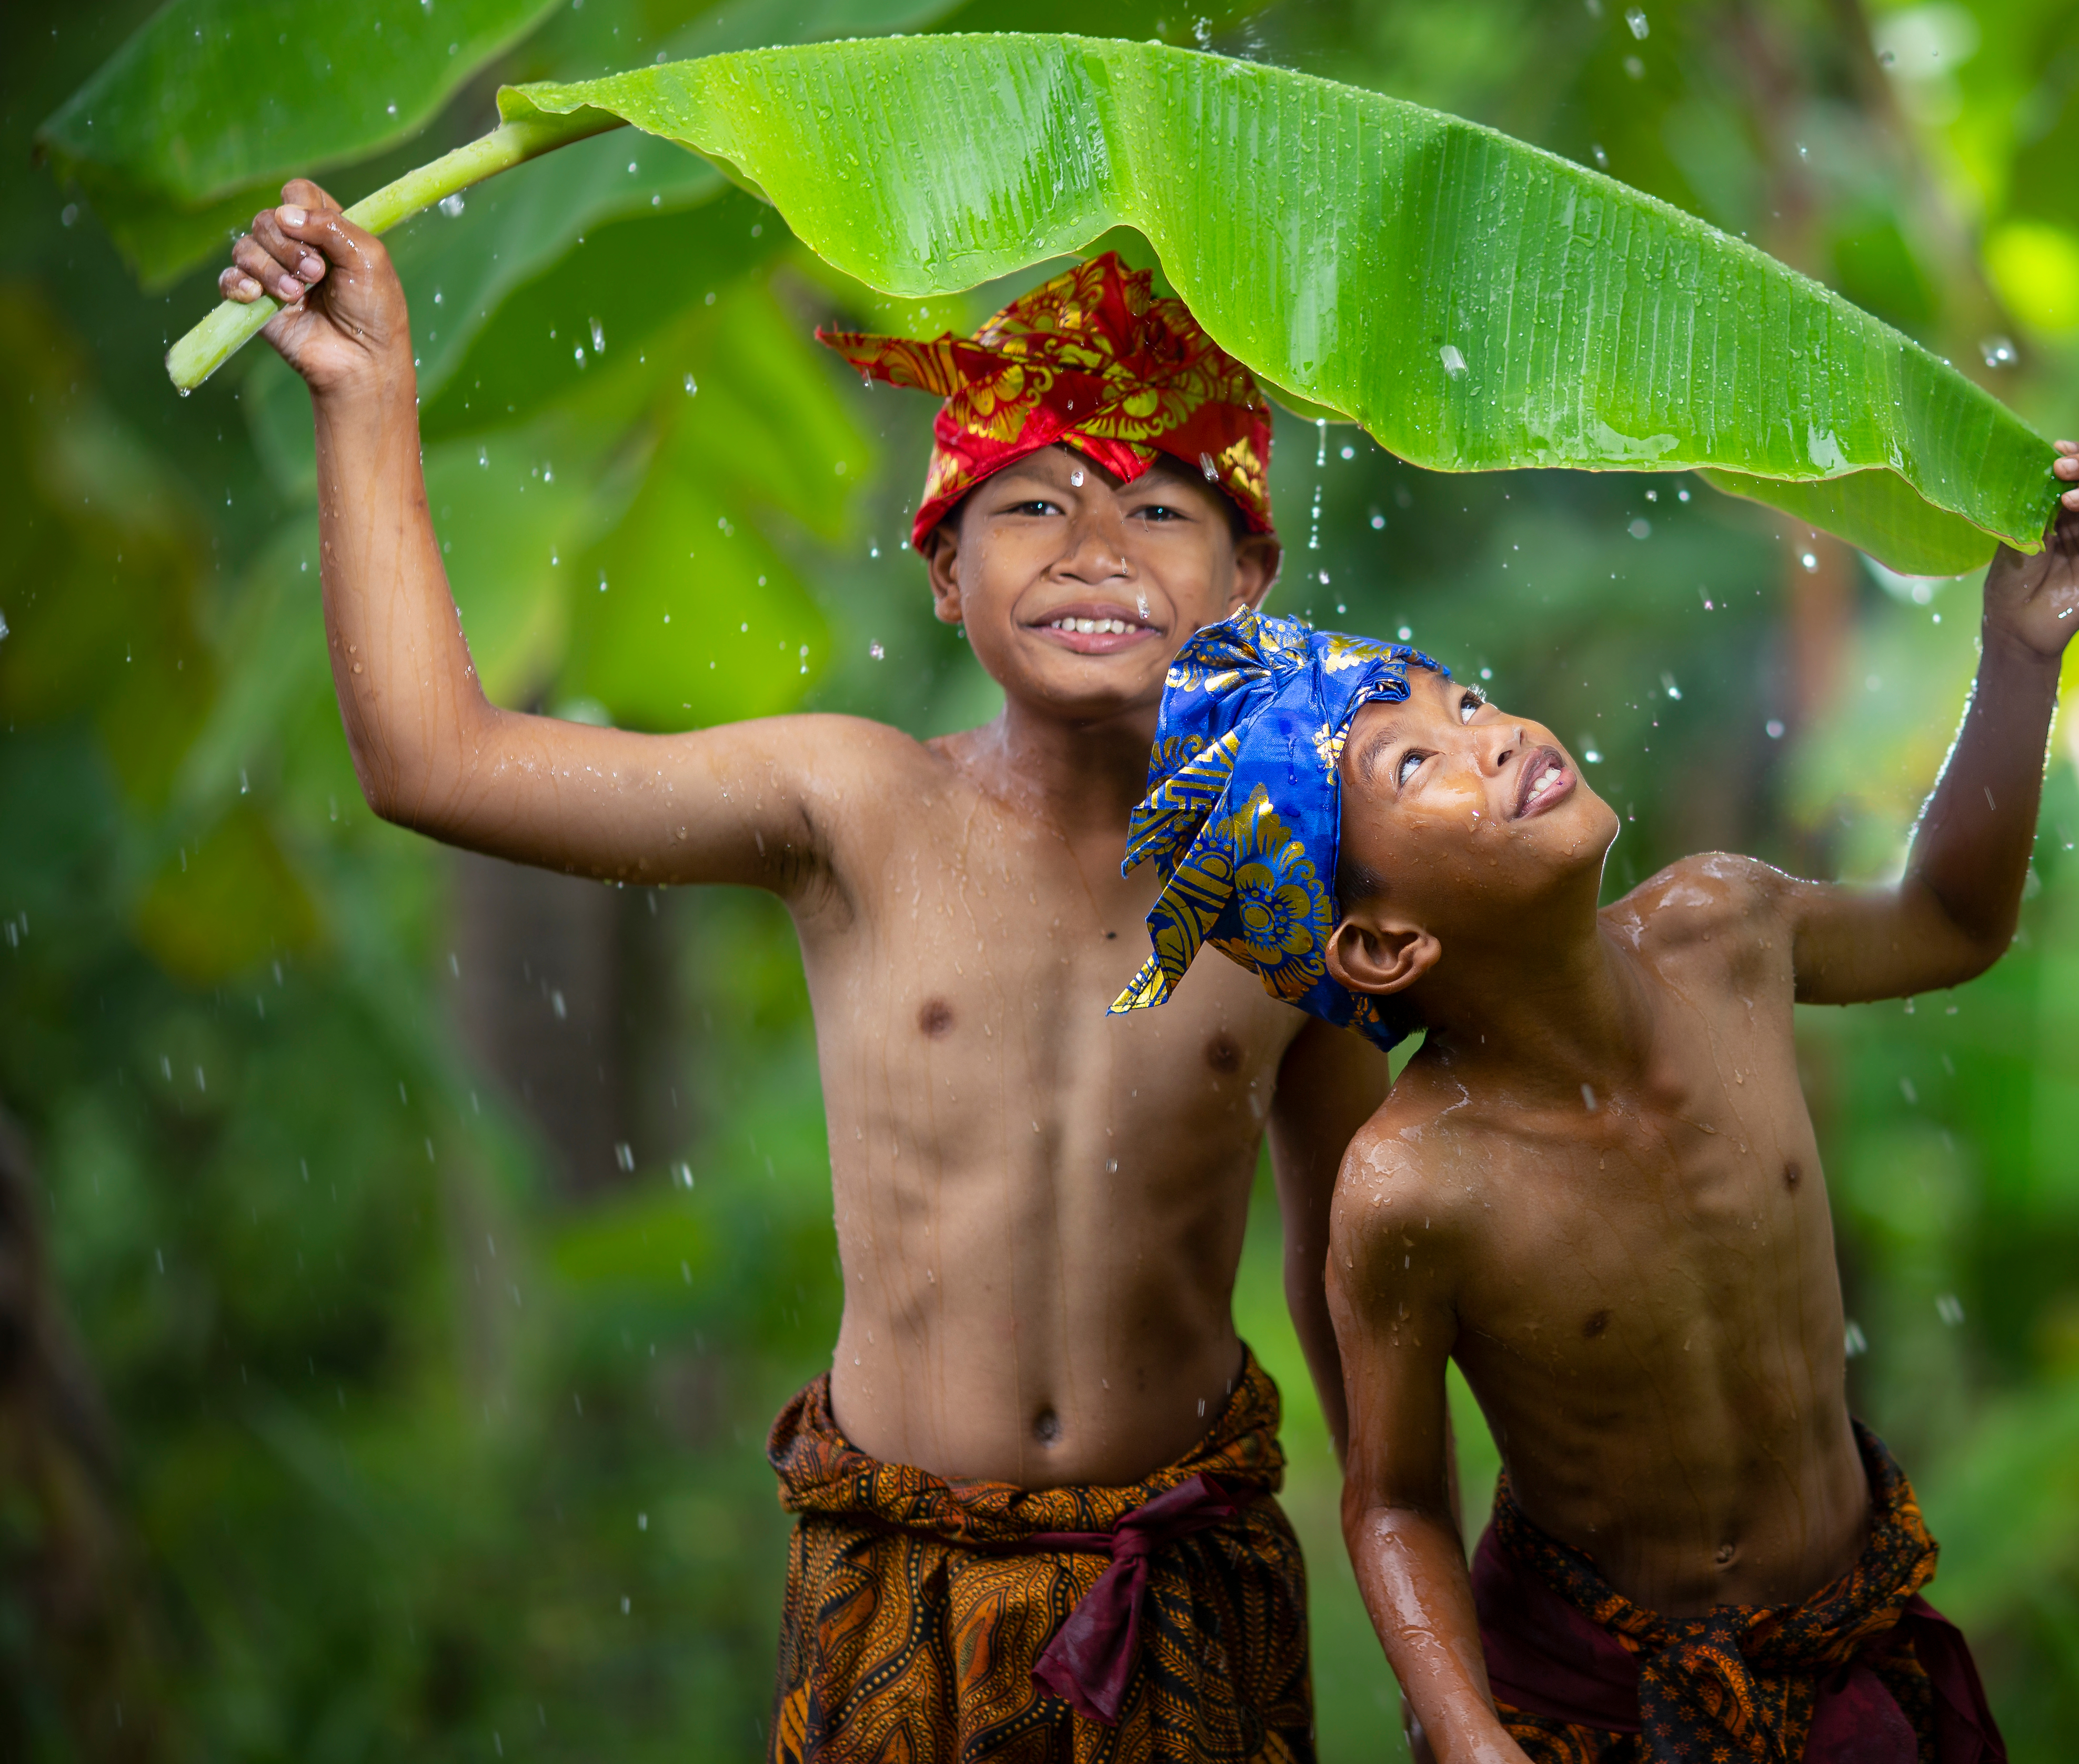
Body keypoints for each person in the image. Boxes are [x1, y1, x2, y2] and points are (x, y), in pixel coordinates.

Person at [218, 195, 1383, 1764]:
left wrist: (1426, 1598)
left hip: (1183, 1579)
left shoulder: (1300, 880)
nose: (1095, 550)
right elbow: (437, 761)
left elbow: (1352, 1277)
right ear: (942, 575)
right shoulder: (858, 809)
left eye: (1160, 511)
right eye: (1030, 506)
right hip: (897, 1580)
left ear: (1248, 576)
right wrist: (365, 400)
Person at [1113, 449, 2079, 1761]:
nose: (1494, 735)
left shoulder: (1727, 927)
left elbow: (1950, 921)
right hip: (1600, 1701)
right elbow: (1398, 1501)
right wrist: (1468, 1735)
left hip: (1849, 1647)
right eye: (1417, 768)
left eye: (1468, 701)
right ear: (1380, 947)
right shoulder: (1418, 1186)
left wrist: (2021, 656)